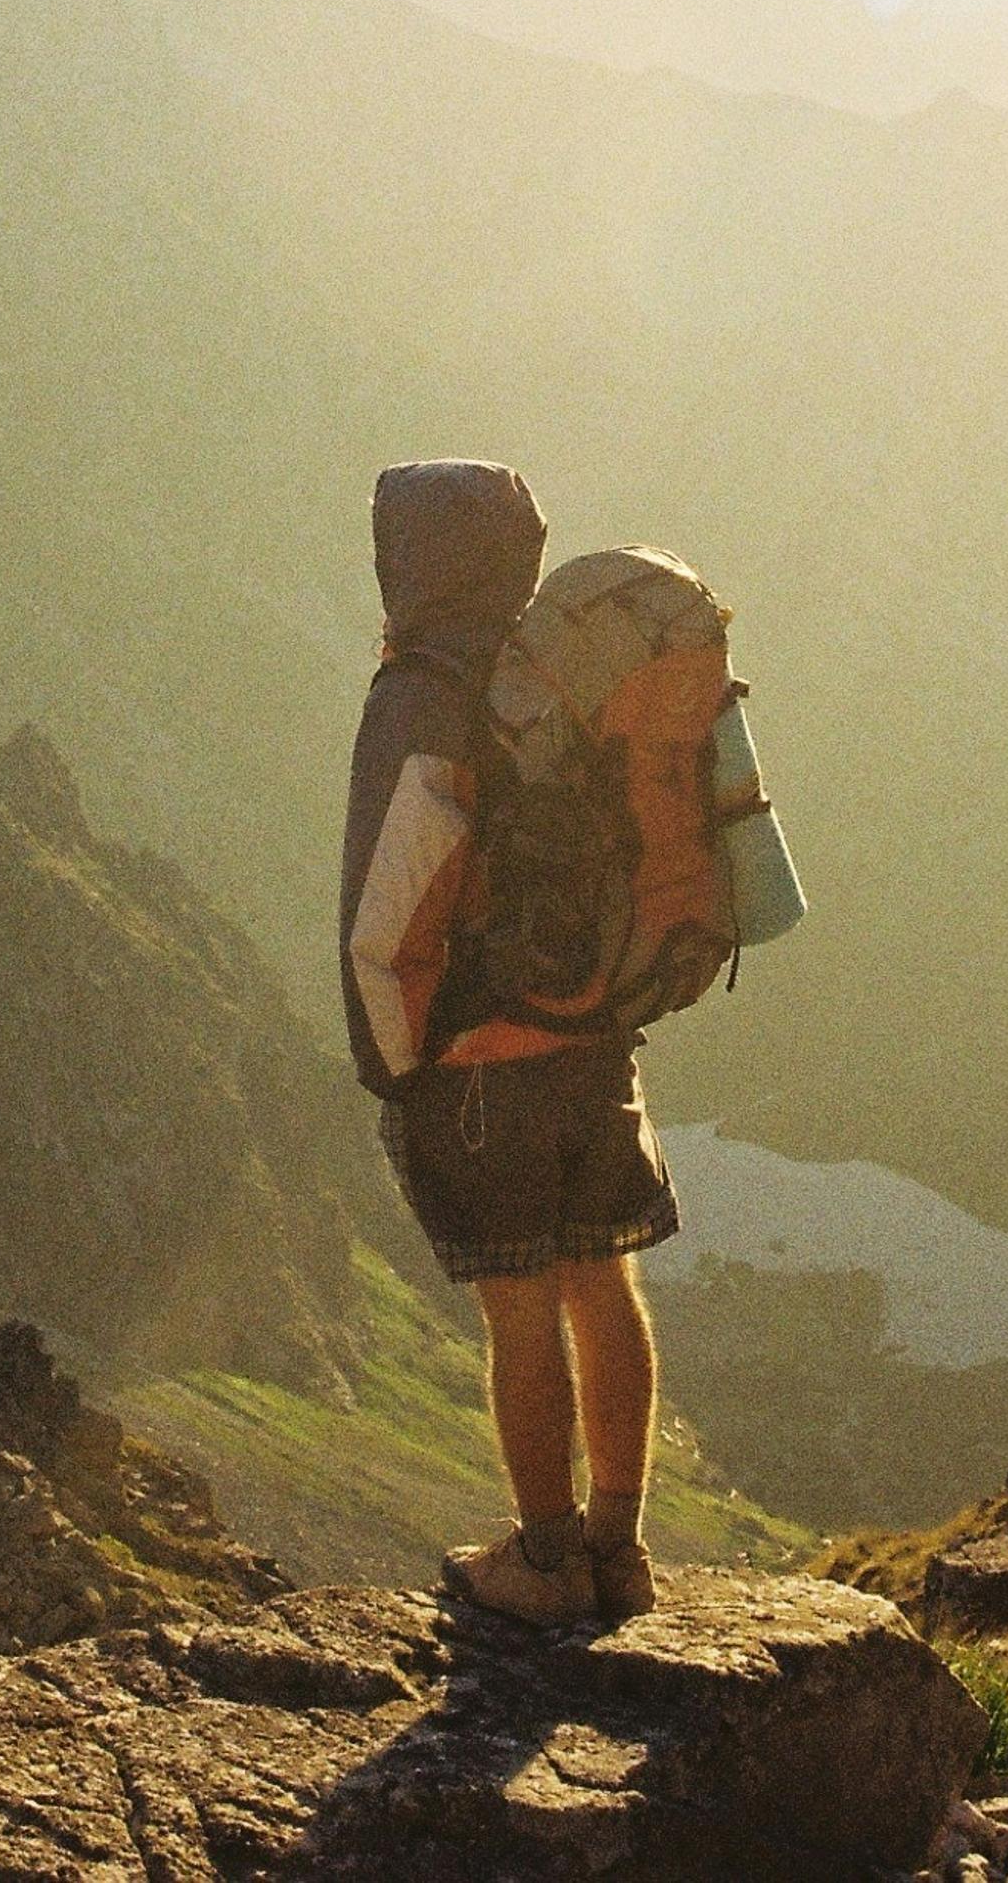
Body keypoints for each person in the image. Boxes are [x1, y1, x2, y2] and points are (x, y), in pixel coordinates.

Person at [339, 459, 680, 1624]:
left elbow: (391, 902)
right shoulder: (565, 676)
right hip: (596, 1038)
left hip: (482, 1061)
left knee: (521, 1307)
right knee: (604, 1275)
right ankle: (620, 1548)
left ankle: (542, 1562)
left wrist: (396, 1064)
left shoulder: (422, 695)